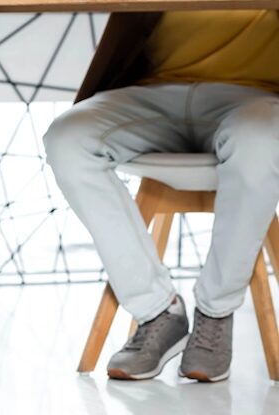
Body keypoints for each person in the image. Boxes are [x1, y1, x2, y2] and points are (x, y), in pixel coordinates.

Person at [43, 11, 279, 382]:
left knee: (260, 142)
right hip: (153, 92)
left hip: (255, 96)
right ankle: (157, 311)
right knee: (67, 139)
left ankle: (215, 313)